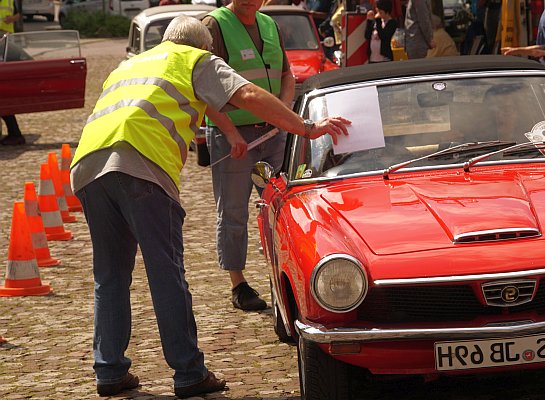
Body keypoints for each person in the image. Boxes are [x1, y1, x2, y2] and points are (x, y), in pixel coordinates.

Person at [70, 15, 349, 397]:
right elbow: (246, 95)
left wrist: (230, 132)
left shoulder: (132, 64)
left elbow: (208, 105)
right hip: (141, 166)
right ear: (207, 48)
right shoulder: (196, 60)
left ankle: (109, 370)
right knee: (166, 273)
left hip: (88, 166)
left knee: (110, 275)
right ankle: (188, 372)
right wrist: (304, 127)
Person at [202, 0, 294, 311]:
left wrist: (282, 114)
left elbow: (287, 76)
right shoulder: (214, 25)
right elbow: (204, 88)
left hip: (273, 135)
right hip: (236, 141)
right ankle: (238, 284)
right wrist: (229, 132)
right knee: (233, 211)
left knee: (281, 209)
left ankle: (287, 274)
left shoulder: (270, 24)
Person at [1, 0, 24, 146]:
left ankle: (15, 133)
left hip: (6, 40)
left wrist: (11, 19)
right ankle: (14, 133)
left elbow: (19, 15)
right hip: (4, 40)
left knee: (3, 96)